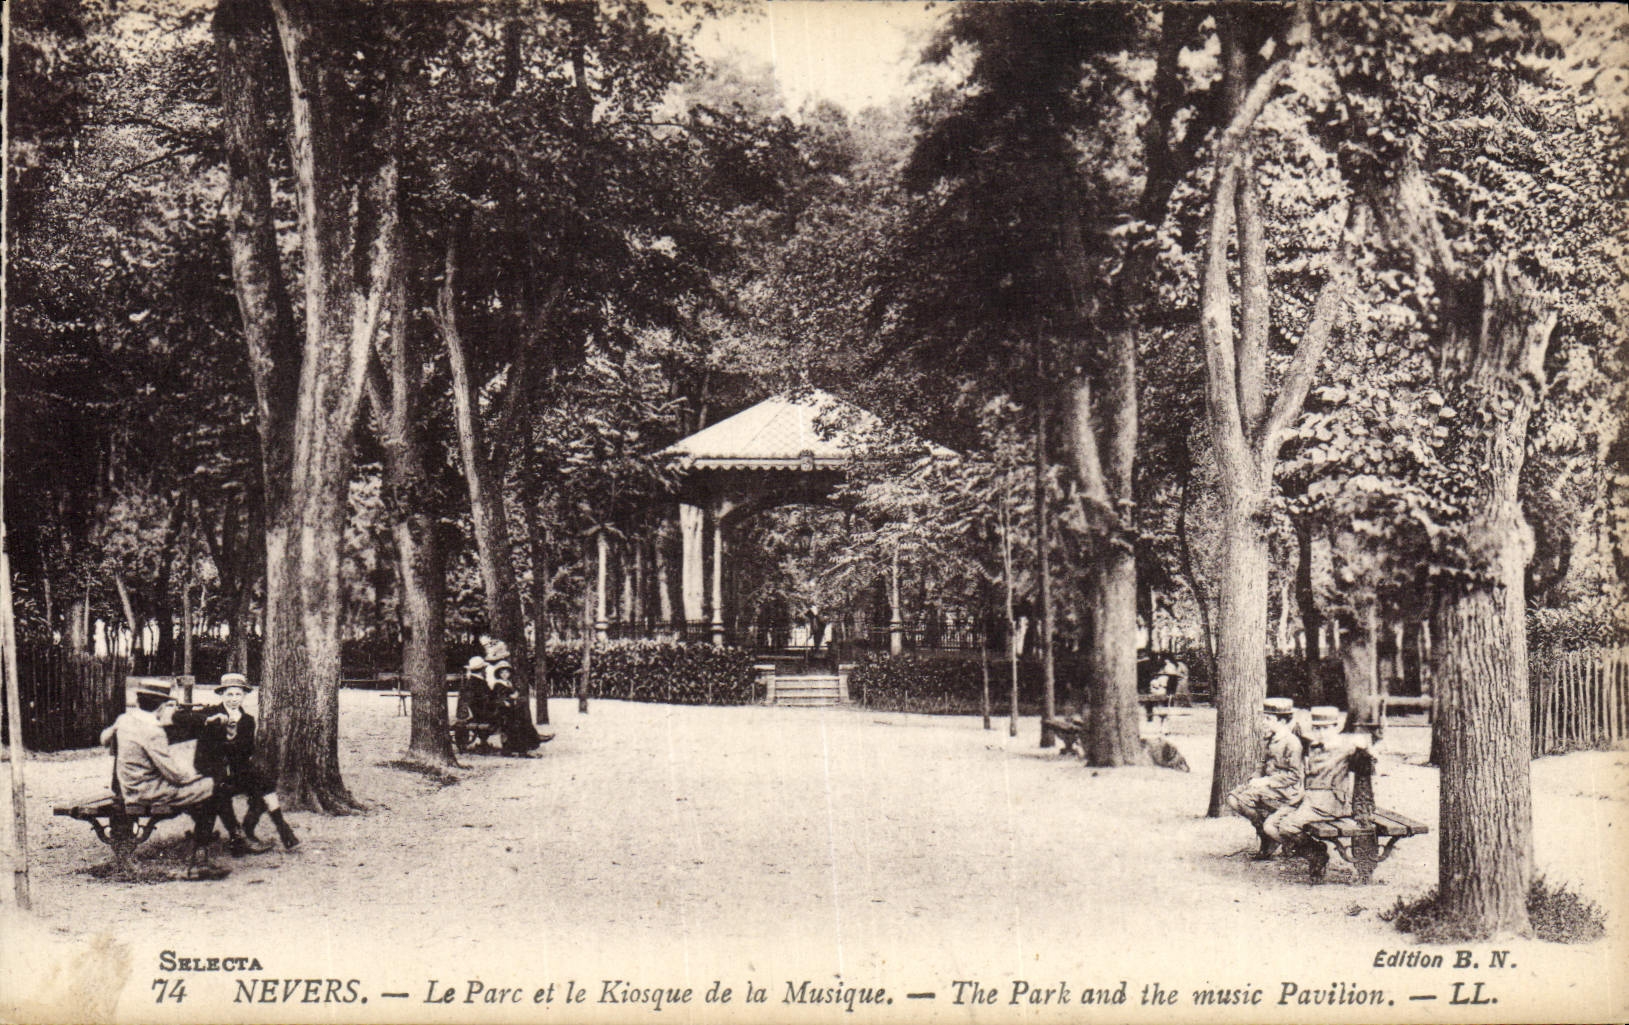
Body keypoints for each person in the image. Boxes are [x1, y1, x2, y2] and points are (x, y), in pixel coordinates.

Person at [180, 674, 299, 853]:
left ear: (244, 696)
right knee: (220, 790)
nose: (234, 699)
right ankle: (237, 837)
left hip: (235, 770)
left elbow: (247, 751)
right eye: (229, 694)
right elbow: (181, 718)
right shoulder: (211, 712)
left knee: (265, 783)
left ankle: (274, 828)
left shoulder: (247, 720)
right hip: (211, 770)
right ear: (222, 695)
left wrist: (234, 745)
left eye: (238, 694)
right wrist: (208, 720)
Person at [1264, 705, 1373, 876]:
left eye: (1325, 728)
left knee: (1287, 826)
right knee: (1270, 826)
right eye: (1317, 728)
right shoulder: (1314, 746)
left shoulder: (1346, 747)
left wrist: (1365, 746)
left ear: (1336, 727)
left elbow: (1369, 757)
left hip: (1330, 802)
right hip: (1308, 798)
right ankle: (1314, 850)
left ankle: (1315, 854)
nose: (1321, 733)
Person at [1224, 697, 1304, 858]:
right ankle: (1265, 833)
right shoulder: (1271, 738)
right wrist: (1255, 779)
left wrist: (1266, 781)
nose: (1263, 722)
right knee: (1233, 799)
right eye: (1264, 718)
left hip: (1286, 790)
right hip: (1269, 788)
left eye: (1268, 718)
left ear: (1282, 721)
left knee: (1243, 800)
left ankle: (1268, 837)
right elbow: (1262, 763)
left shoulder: (1292, 743)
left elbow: (1294, 775)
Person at [487, 662, 542, 756]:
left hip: (510, 709)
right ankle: (520, 747)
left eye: (506, 672)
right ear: (499, 674)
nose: (504, 674)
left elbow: (515, 694)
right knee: (515, 722)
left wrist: (515, 696)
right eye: (502, 673)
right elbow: (497, 698)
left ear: (509, 673)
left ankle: (529, 743)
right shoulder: (498, 685)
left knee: (521, 719)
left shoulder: (509, 683)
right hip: (502, 710)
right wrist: (509, 698)